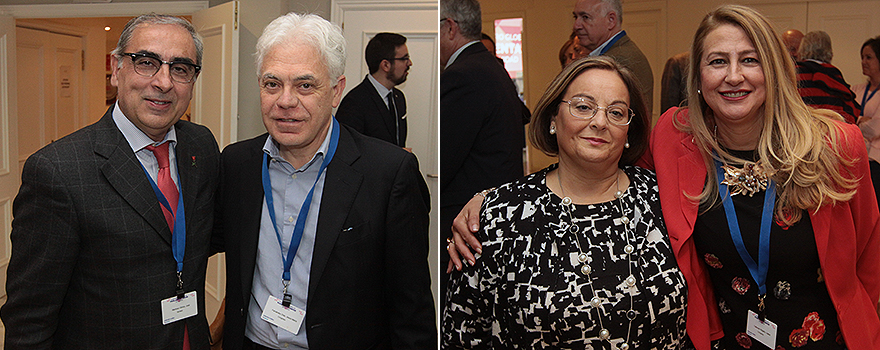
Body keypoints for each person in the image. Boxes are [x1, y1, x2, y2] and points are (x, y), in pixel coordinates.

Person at [449, 5, 880, 349]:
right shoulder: (677, 140)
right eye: (717, 61)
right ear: (698, 78)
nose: (733, 75)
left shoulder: (834, 144)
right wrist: (495, 202)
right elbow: (592, 172)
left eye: (750, 60)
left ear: (774, 70)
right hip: (723, 339)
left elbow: (871, 260)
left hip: (827, 338)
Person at [214, 12, 435, 350]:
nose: (286, 101)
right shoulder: (236, 163)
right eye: (272, 84)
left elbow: (411, 309)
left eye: (305, 85)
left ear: (335, 91)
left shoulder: (389, 174)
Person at [0, 14, 219, 349]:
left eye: (180, 68)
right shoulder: (57, 171)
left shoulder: (200, 146)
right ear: (117, 68)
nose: (163, 82)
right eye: (146, 62)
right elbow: (30, 317)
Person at [443, 55, 686, 349]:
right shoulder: (499, 214)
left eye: (616, 112)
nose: (599, 122)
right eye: (583, 107)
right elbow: (463, 333)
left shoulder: (662, 199)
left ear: (628, 132)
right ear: (553, 119)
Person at [440, 0, 526, 312]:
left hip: (470, 225)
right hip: (492, 218)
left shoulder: (463, 74)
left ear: (450, 28)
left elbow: (445, 160)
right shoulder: (491, 66)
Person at [573, 0, 653, 114]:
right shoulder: (619, 52)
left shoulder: (617, 60)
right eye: (575, 17)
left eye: (585, 17)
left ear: (611, 20)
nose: (576, 25)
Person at [335, 32, 410, 148]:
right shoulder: (354, 103)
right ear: (385, 65)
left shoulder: (398, 97)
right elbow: (348, 151)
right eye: (404, 58)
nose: (409, 63)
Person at [795, 30, 859, 123]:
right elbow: (850, 113)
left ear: (802, 48)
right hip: (833, 133)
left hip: (801, 131)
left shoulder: (795, 73)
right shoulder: (835, 76)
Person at [855, 37, 880, 205]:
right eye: (862, 57)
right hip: (856, 157)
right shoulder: (856, 89)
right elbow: (844, 118)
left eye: (868, 57)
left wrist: (855, 123)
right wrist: (861, 120)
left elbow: (876, 128)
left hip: (876, 161)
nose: (863, 61)